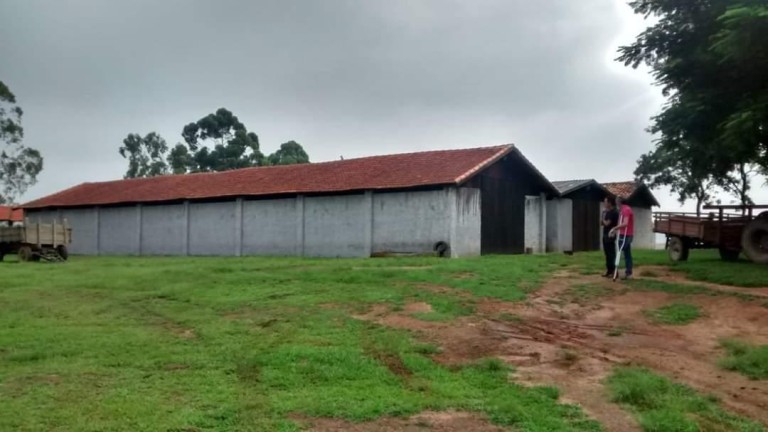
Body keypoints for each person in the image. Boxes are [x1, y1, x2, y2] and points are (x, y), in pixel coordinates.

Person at [610, 196, 635, 279]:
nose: (615, 203)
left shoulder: (626, 210)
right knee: (626, 253)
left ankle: (618, 271)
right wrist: (615, 231)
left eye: (616, 201)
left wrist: (614, 228)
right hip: (623, 234)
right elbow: (620, 223)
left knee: (620, 251)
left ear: (619, 202)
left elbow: (625, 223)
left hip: (627, 235)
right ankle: (628, 273)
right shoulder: (621, 210)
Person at [601, 197, 619, 277]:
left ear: (609, 203)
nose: (604, 204)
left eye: (605, 202)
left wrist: (603, 217)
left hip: (610, 235)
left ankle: (615, 272)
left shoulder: (613, 212)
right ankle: (609, 270)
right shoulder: (608, 212)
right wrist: (603, 217)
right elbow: (602, 223)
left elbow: (607, 223)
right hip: (605, 234)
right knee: (607, 254)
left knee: (611, 254)